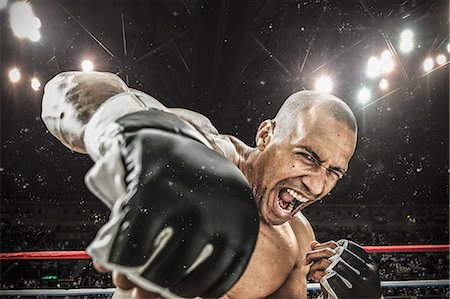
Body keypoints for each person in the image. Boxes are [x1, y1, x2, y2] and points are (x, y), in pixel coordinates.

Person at [41, 71, 380, 299]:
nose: (318, 185)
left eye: (334, 171)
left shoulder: (298, 238)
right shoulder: (205, 154)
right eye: (307, 155)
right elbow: (65, 91)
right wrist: (140, 134)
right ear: (265, 135)